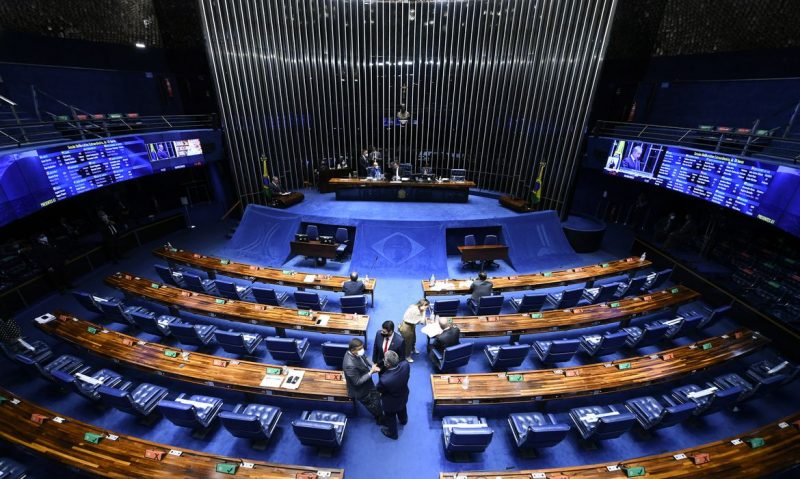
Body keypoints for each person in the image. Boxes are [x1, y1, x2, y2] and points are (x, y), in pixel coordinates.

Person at [342, 338, 385, 424]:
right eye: (360, 349)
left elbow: (365, 357)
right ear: (352, 350)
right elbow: (357, 382)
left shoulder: (356, 353)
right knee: (372, 406)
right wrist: (371, 372)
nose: (362, 350)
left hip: (368, 383)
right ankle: (379, 418)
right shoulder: (349, 365)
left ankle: (378, 408)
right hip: (361, 391)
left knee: (376, 397)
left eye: (362, 348)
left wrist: (373, 365)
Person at [376, 350, 410, 439]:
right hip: (403, 396)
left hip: (391, 404)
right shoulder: (406, 365)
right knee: (402, 408)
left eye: (384, 359)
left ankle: (393, 434)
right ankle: (403, 421)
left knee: (390, 417)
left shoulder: (384, 379)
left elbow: (379, 389)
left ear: (387, 365)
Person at [399, 298, 430, 362]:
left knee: (413, 339)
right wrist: (424, 312)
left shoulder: (416, 306)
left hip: (411, 325)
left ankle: (413, 349)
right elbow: (422, 322)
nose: (426, 309)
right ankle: (407, 356)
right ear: (423, 305)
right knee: (408, 343)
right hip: (406, 327)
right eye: (426, 307)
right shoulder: (415, 311)